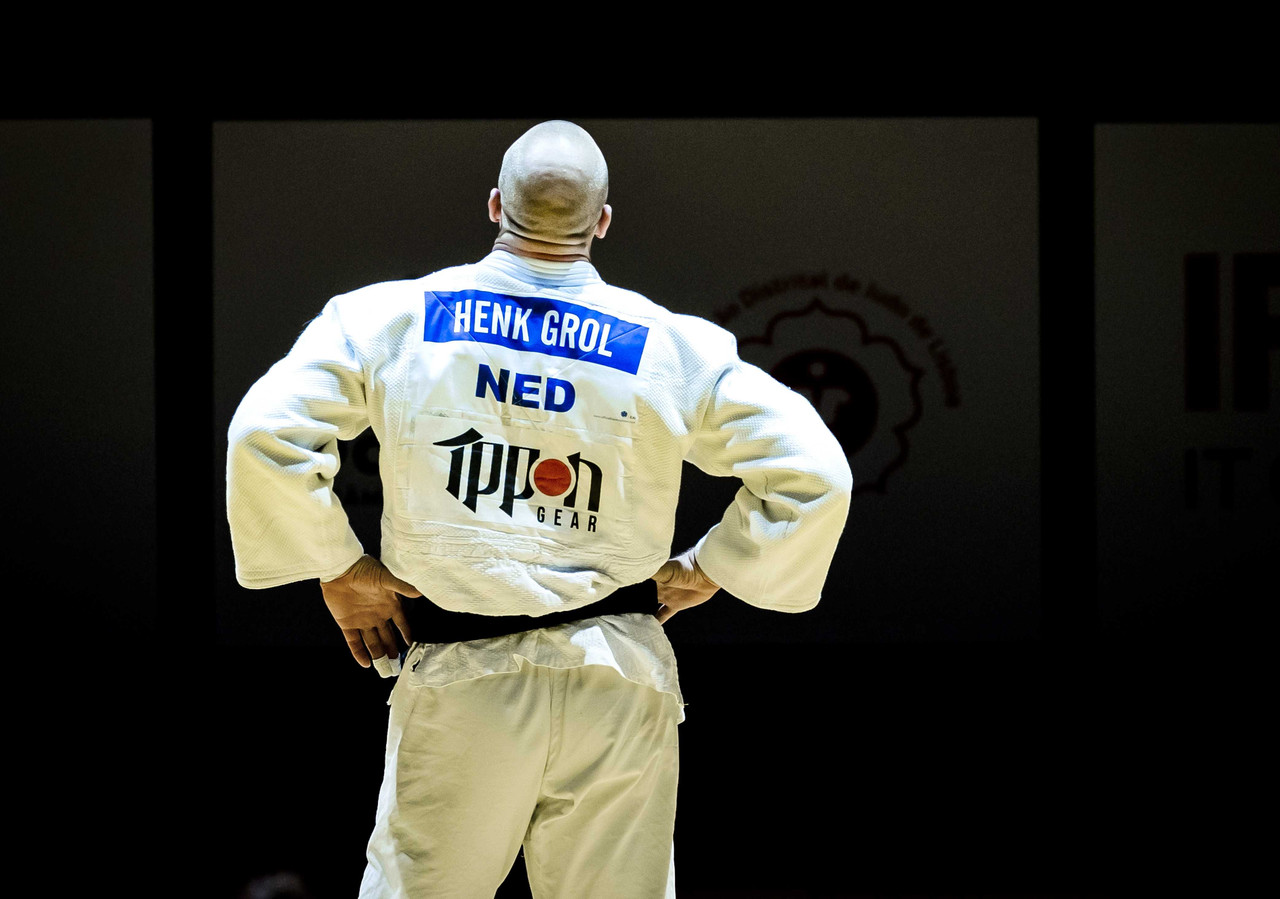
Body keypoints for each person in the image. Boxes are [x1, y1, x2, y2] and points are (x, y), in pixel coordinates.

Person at [227, 120, 853, 898]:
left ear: (495, 205)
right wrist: (712, 566)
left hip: (465, 681)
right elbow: (815, 471)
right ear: (602, 222)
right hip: (618, 678)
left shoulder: (386, 319)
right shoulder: (672, 347)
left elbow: (262, 433)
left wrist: (338, 567)